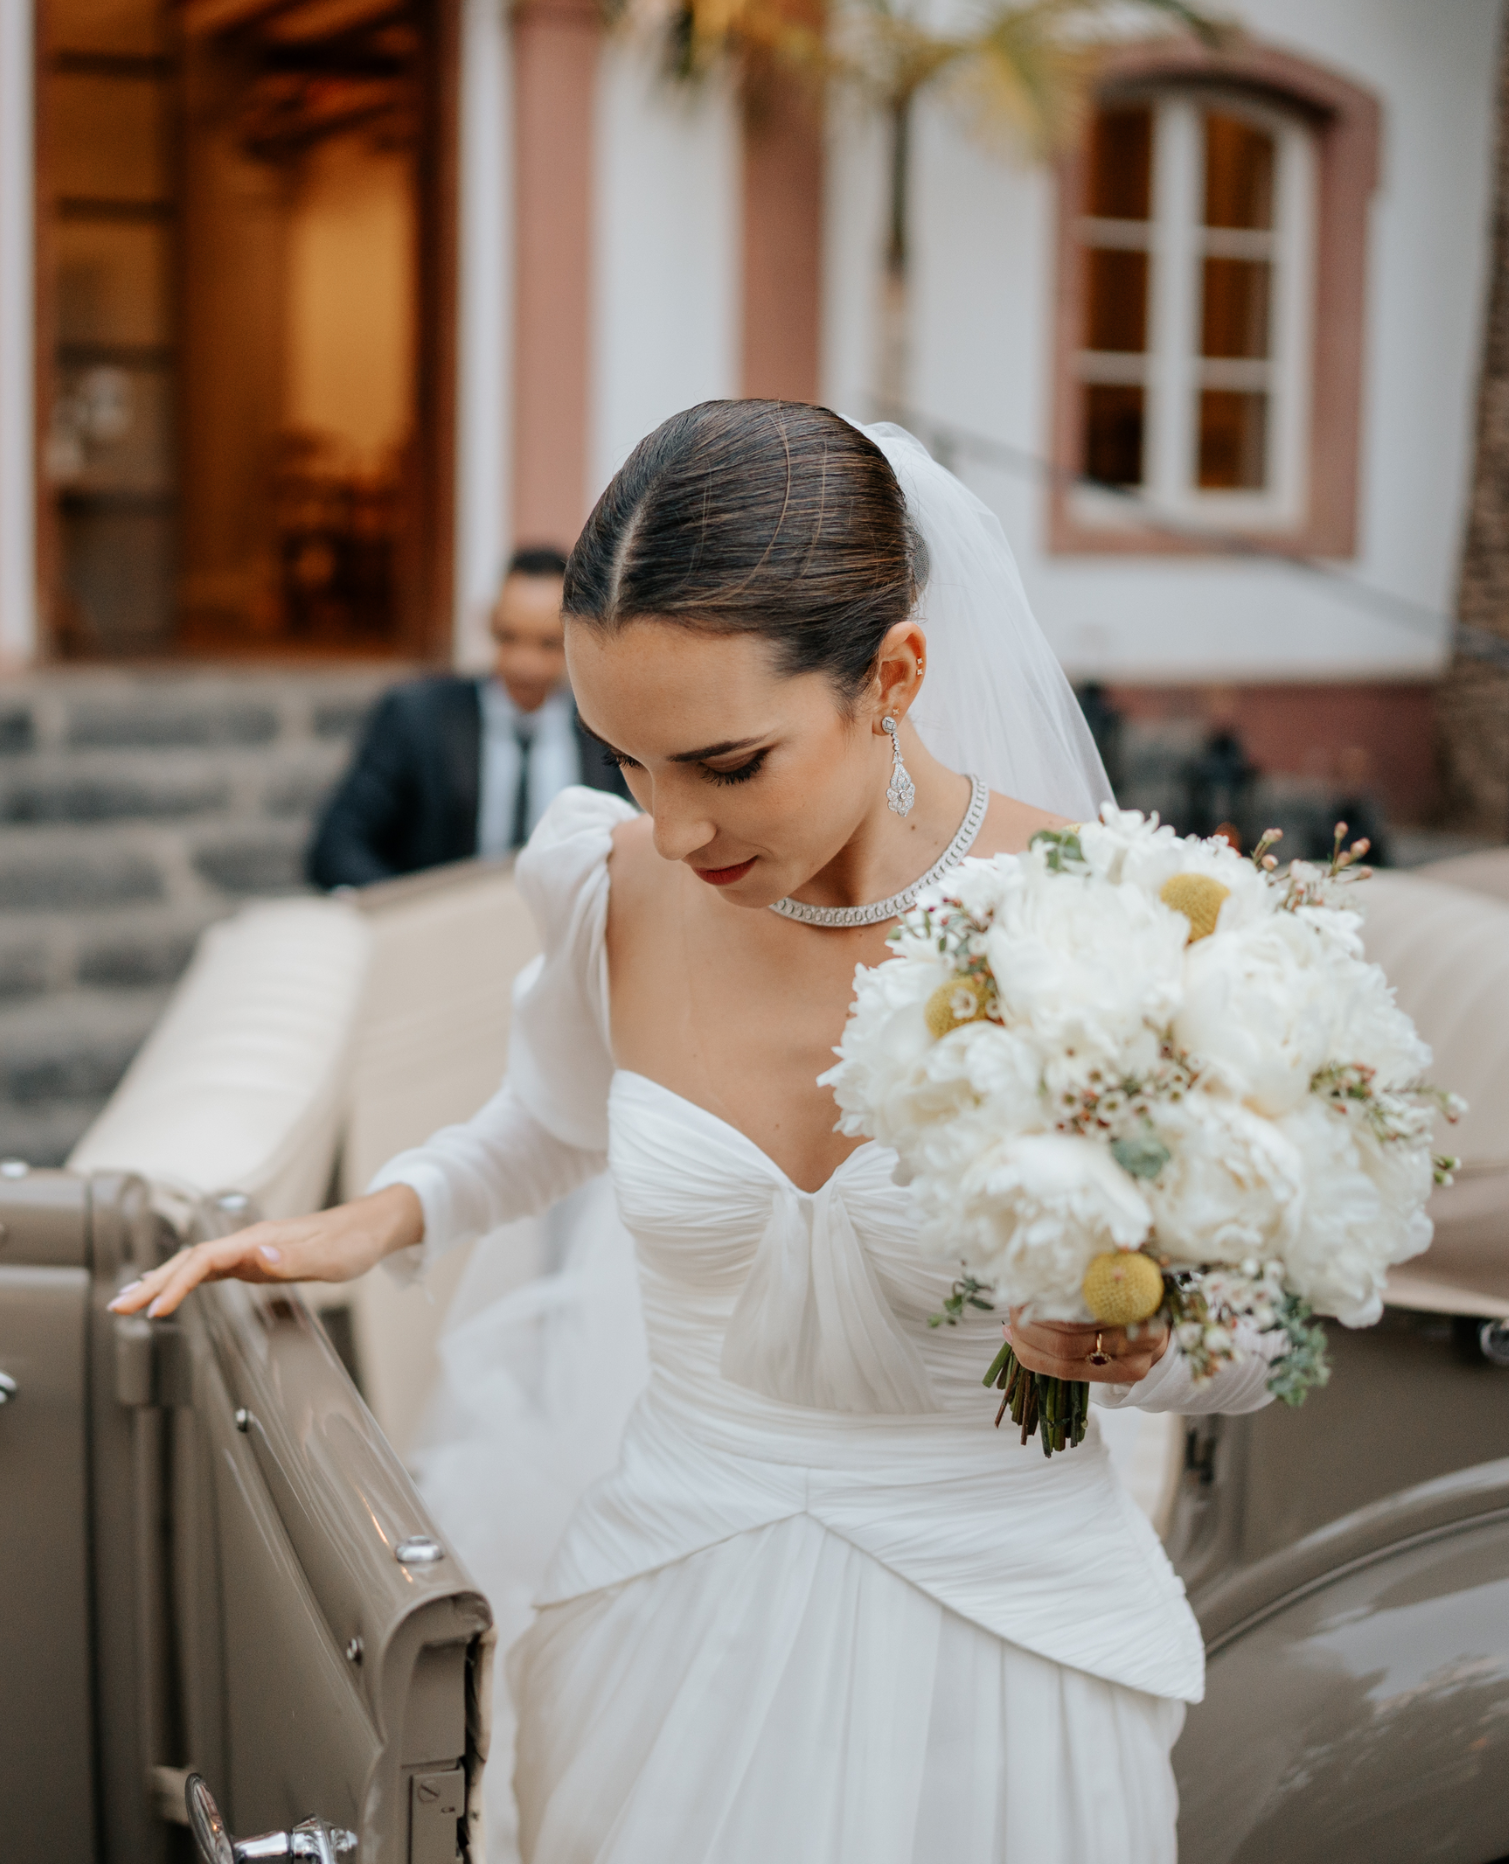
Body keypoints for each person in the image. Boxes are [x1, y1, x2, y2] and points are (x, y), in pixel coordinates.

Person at [118, 404, 1279, 1862]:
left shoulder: (1104, 917)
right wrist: (382, 1214)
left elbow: (1254, 1343)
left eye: (727, 764)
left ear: (893, 678)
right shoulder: (604, 886)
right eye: (627, 762)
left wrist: (1149, 1347)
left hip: (1003, 1652)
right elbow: (549, 1119)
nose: (671, 831)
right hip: (672, 1625)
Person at [307, 546, 625, 888]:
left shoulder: (609, 730)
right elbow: (336, 846)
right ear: (488, 623)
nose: (523, 664)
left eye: (548, 644)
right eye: (508, 637)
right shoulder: (418, 717)